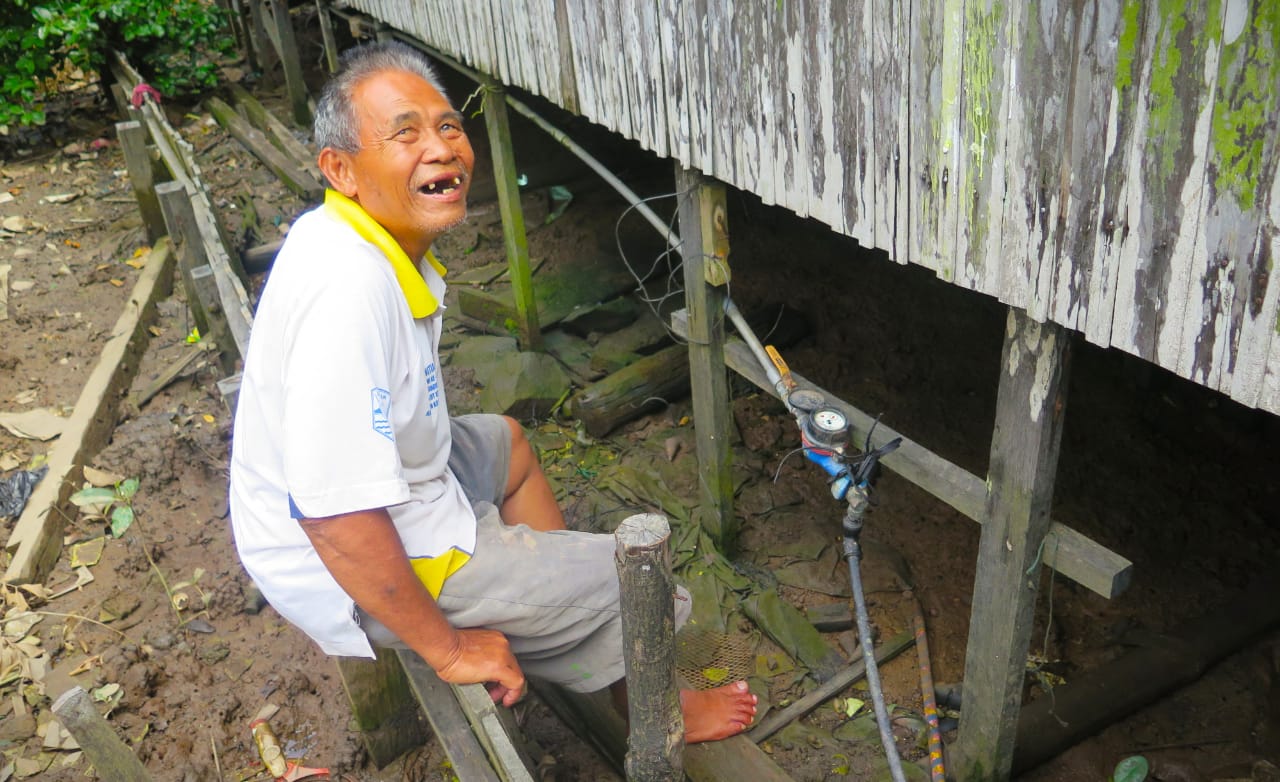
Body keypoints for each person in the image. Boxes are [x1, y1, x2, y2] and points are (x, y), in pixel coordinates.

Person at [228, 39, 755, 744]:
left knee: (509, 445)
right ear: (341, 170)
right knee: (631, 577)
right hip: (343, 554)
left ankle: (561, 618)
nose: (441, 148)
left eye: (448, 125)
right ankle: (649, 706)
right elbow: (335, 517)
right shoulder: (346, 293)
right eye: (405, 133)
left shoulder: (351, 236)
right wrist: (449, 649)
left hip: (393, 490)